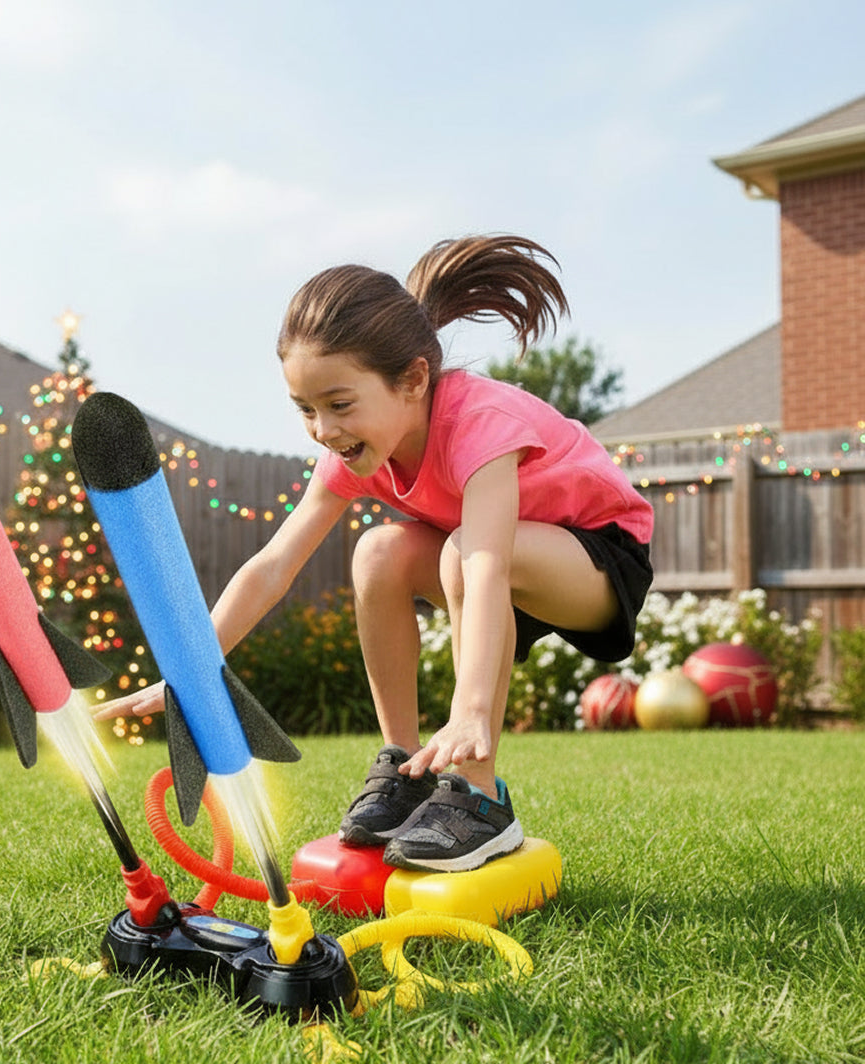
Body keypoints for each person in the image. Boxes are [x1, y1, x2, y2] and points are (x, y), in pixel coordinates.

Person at [93, 235, 654, 873]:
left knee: (463, 552)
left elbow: (486, 563)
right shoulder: (358, 452)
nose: (323, 431)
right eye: (305, 409)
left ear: (413, 380)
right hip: (490, 566)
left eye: (338, 405)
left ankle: (479, 797)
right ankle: (404, 769)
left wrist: (470, 712)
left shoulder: (480, 425)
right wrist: (190, 670)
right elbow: (275, 564)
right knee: (377, 553)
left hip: (598, 562)